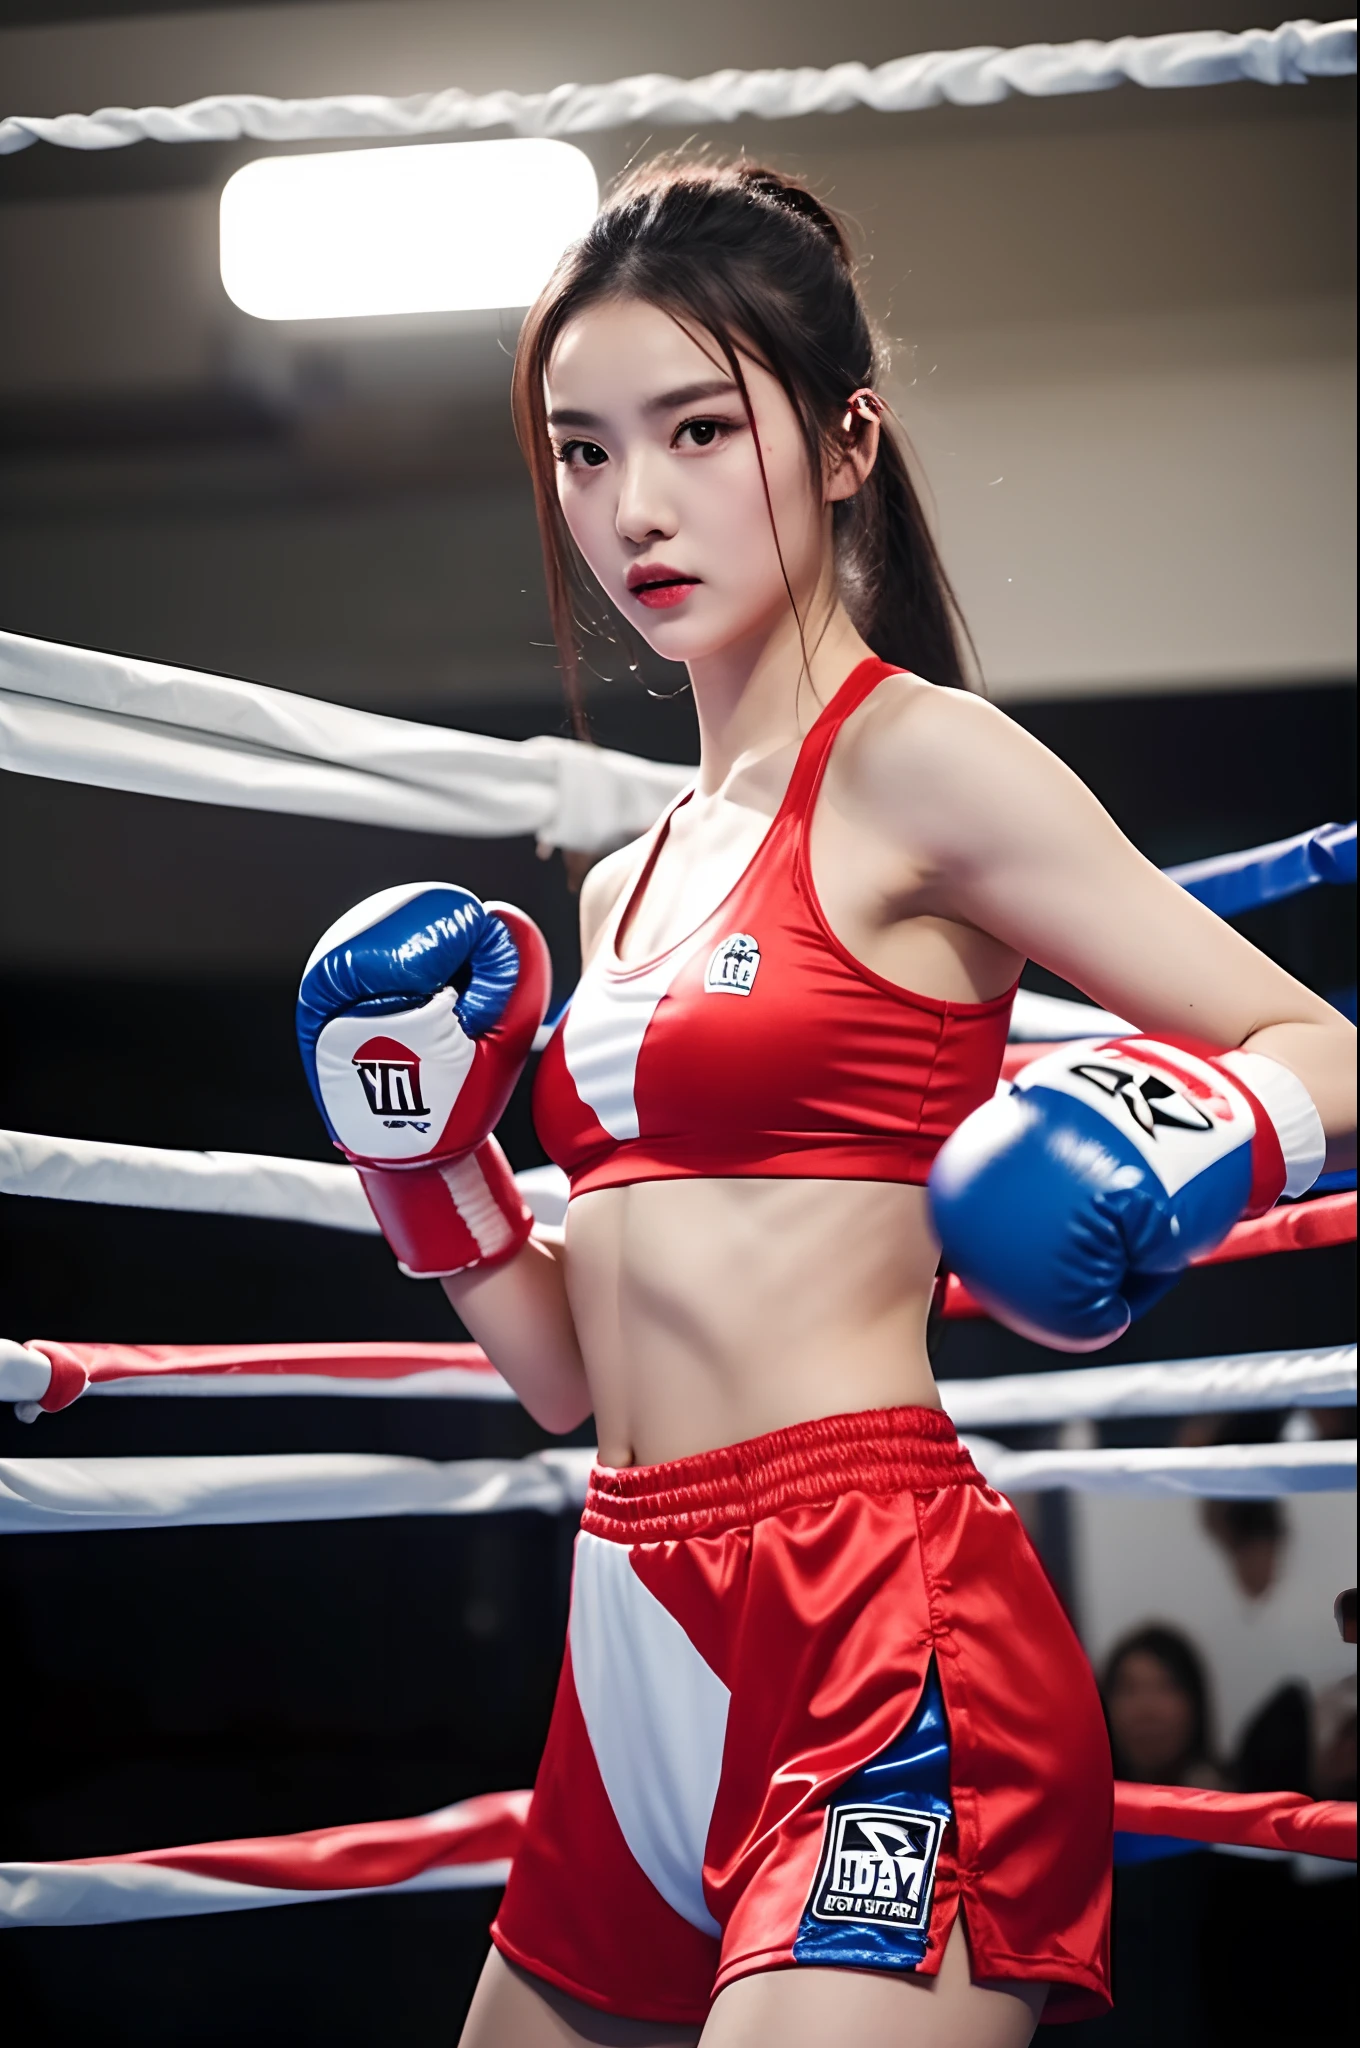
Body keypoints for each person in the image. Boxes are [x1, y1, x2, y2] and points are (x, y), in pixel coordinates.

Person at [293, 160, 1358, 2046]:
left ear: (845, 438)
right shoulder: (621, 887)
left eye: (700, 429)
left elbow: (1320, 1043)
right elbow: (564, 1377)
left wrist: (1185, 1139)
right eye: (583, 449)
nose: (636, 504)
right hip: (625, 1615)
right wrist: (427, 1164)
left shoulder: (924, 765)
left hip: (876, 1616)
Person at [1102, 1625, 1221, 1788]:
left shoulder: (1238, 1800)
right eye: (1129, 1690)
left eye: (1165, 1688)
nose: (1146, 1711)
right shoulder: (1084, 1801)